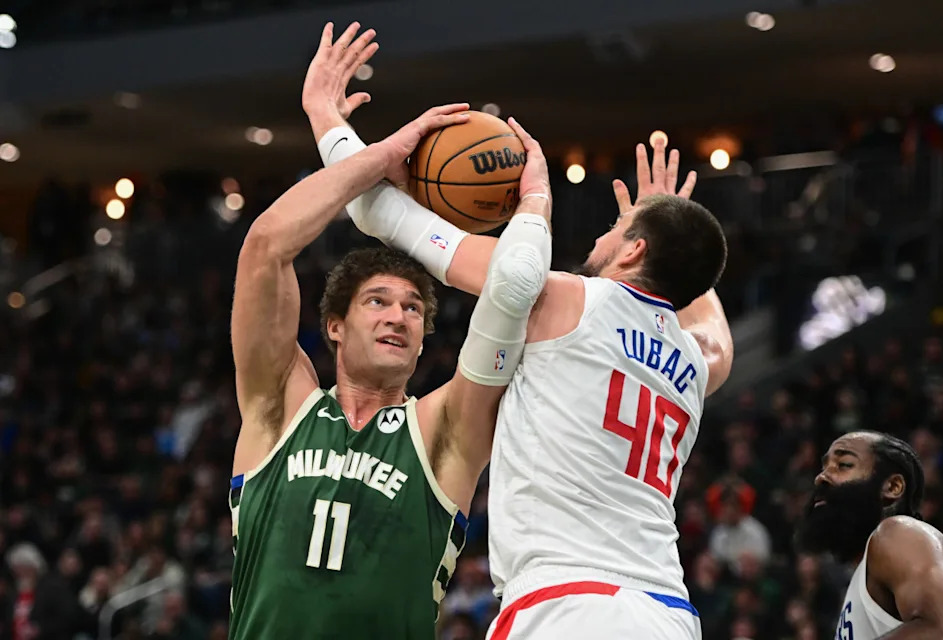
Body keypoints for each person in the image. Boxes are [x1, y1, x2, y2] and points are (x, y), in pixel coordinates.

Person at [313, 27, 733, 639]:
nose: (601, 236)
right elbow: (710, 322)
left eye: (619, 227)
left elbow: (376, 212)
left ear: (635, 249)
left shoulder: (559, 297)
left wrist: (326, 116)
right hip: (667, 610)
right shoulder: (700, 361)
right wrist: (678, 240)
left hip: (567, 602)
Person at [228, 23, 554, 639]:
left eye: (412, 308)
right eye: (377, 301)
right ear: (333, 327)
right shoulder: (279, 408)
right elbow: (266, 249)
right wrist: (375, 152)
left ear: (425, 337)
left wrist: (534, 200)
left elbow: (516, 293)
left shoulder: (443, 432)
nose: (397, 315)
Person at [797, 431, 943, 639]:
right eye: (824, 466)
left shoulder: (898, 533)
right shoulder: (863, 574)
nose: (821, 477)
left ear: (892, 487)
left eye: (844, 464)